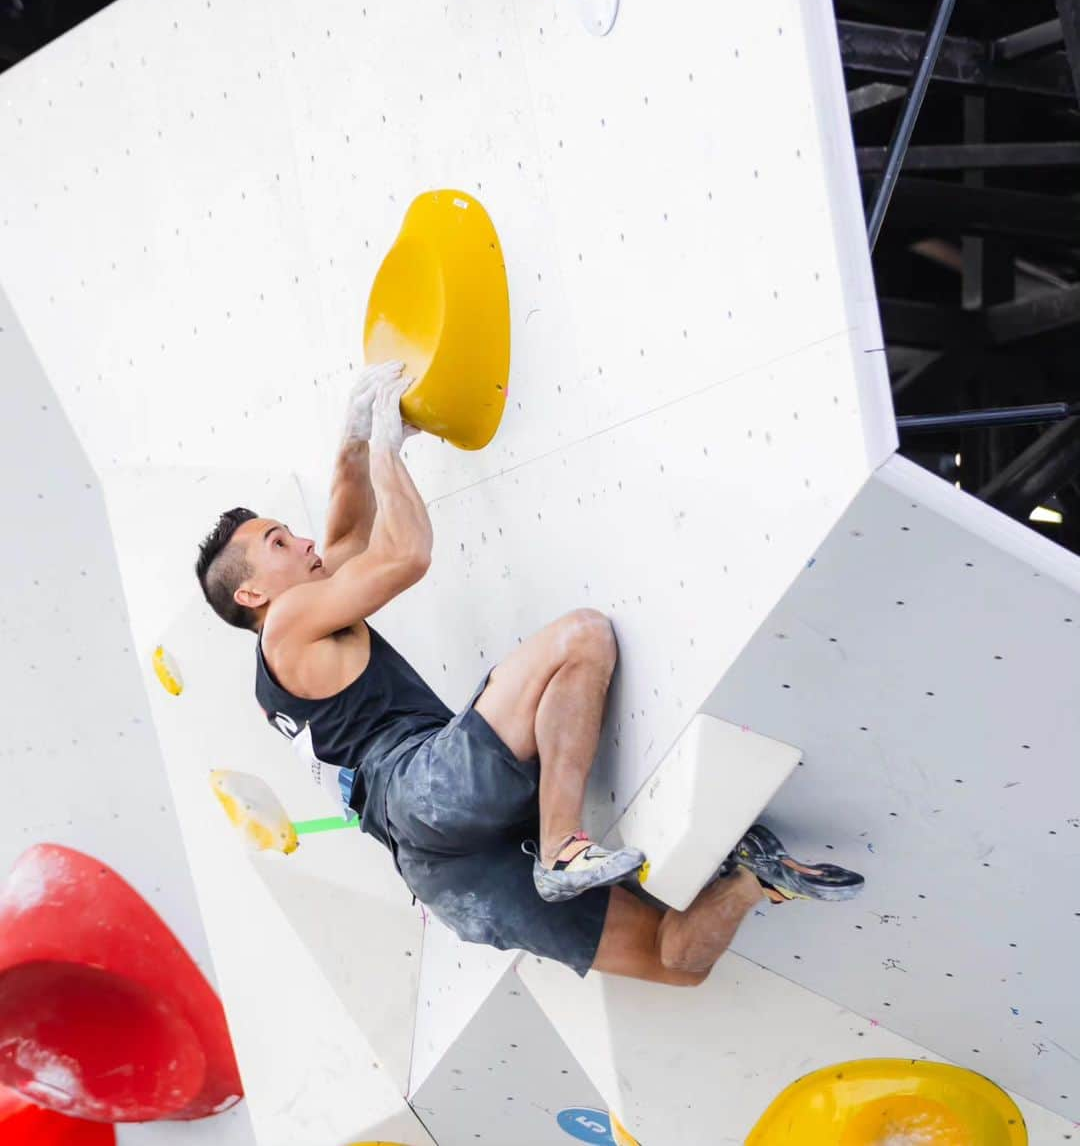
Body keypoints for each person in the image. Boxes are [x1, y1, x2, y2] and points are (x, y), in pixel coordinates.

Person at [195, 363, 863, 985]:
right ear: (251, 596)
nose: (303, 542)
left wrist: (353, 438)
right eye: (279, 543)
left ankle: (754, 879)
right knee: (582, 639)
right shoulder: (287, 622)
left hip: (441, 870)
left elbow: (344, 535)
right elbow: (404, 554)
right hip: (426, 790)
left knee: (675, 960)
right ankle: (560, 847)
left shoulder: (287, 651)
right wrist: (387, 451)